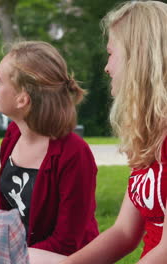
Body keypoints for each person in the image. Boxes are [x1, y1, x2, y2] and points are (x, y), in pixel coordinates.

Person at [30, 1, 167, 263]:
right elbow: (124, 233)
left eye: (111, 54)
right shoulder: (149, 136)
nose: (107, 67)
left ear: (139, 57)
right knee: (19, 256)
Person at [0, 41, 99, 257]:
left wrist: (8, 258)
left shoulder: (74, 154)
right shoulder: (13, 135)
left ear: (22, 99)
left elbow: (67, 243)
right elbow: (5, 212)